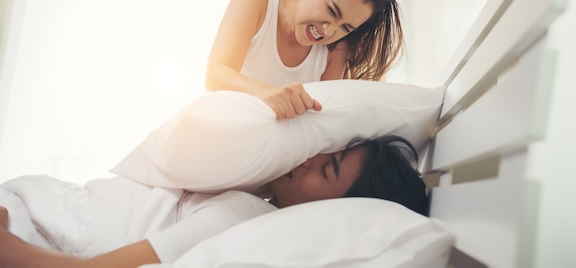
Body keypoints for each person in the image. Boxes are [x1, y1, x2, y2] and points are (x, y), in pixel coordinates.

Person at [0, 135, 426, 268]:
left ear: (338, 211)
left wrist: (12, 250)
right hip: (44, 204)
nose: (309, 159)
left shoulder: (247, 219)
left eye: (327, 169)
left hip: (32, 222)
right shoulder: (255, 198)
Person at [205, 0, 404, 119]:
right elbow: (215, 75)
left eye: (345, 28)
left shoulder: (336, 49)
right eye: (332, 11)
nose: (329, 31)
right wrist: (265, 93)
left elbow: (325, 114)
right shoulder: (258, 0)